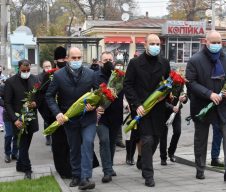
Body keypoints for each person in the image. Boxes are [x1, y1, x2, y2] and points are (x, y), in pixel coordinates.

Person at [185, 30, 226, 181]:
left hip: (224, 106)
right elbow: (191, 83)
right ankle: (200, 169)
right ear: (206, 42)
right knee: (201, 139)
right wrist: (209, 94)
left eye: (219, 42)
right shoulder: (195, 60)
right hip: (203, 107)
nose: (216, 45)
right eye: (213, 42)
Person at [46, 47, 98, 190]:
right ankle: (76, 175)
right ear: (67, 59)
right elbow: (49, 96)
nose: (76, 61)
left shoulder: (91, 74)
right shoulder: (58, 76)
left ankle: (86, 178)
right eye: (73, 58)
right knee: (74, 147)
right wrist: (58, 113)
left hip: (88, 118)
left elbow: (100, 94)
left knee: (87, 143)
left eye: (79, 58)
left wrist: (94, 105)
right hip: (70, 119)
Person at [124, 34, 170, 187]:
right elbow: (128, 85)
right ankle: (148, 174)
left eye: (158, 43)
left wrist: (168, 95)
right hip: (142, 109)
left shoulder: (164, 63)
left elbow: (169, 84)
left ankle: (143, 160)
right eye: (152, 43)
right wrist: (136, 105)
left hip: (158, 109)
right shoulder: (135, 63)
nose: (156, 46)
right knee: (147, 140)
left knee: (155, 139)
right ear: (145, 45)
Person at [37, 46, 72, 179]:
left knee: (71, 143)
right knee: (59, 144)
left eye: (65, 58)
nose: (63, 61)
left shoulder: (71, 71)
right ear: (55, 60)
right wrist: (50, 115)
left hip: (71, 115)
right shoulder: (49, 75)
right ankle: (63, 170)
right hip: (55, 116)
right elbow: (41, 96)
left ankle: (73, 167)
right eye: (60, 59)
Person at [4, 59, 39, 179]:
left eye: (28, 70)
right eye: (24, 70)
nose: (26, 72)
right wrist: (15, 119)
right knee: (23, 145)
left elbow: (39, 96)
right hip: (18, 120)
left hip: (31, 118)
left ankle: (19, 165)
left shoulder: (35, 79)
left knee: (25, 144)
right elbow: (7, 103)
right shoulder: (10, 82)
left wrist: (36, 103)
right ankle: (27, 169)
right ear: (19, 68)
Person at [96, 51, 124, 183]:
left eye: (110, 59)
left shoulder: (120, 76)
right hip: (101, 116)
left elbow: (126, 91)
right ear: (101, 62)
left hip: (115, 115)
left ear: (113, 61)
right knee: (104, 141)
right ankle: (107, 171)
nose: (108, 62)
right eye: (105, 60)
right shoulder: (95, 76)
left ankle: (110, 166)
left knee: (112, 143)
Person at [159, 92, 187, 165]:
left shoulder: (181, 81)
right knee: (163, 135)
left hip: (176, 111)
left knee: (178, 132)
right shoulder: (165, 82)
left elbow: (185, 95)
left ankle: (171, 152)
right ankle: (163, 157)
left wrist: (184, 99)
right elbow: (160, 100)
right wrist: (171, 107)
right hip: (164, 111)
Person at [37, 60, 52, 145]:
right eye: (46, 66)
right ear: (43, 68)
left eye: (49, 66)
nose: (48, 68)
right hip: (44, 102)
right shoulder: (40, 77)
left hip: (53, 100)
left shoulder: (55, 74)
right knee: (47, 120)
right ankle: (48, 136)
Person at [0, 65, 6, 132]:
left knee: (1, 110)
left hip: (1, 97)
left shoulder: (4, 77)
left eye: (0, 69)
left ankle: (1, 125)